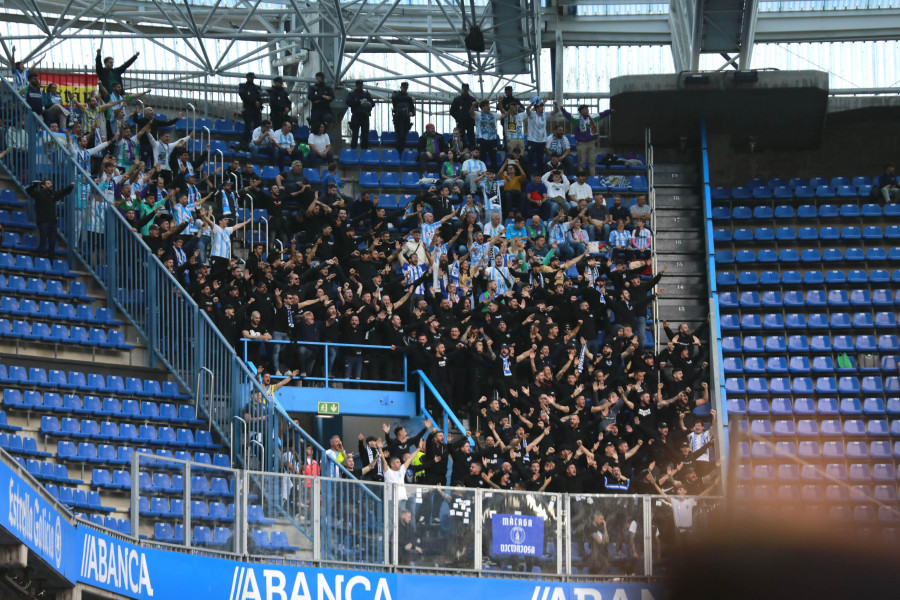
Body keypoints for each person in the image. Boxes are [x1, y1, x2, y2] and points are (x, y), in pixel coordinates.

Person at [560, 105, 612, 176]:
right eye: (584, 109)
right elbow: (567, 115)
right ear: (580, 111)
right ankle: (580, 177)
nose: (586, 111)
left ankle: (593, 177)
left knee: (592, 161)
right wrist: (562, 109)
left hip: (591, 143)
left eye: (587, 109)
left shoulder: (592, 117)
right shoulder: (576, 119)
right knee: (581, 162)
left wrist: (610, 111)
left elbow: (602, 114)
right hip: (581, 143)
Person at [29, 180, 75, 259]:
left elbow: (63, 192)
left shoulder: (53, 195)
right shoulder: (38, 194)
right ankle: (40, 259)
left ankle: (51, 261)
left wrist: (70, 187)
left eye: (51, 183)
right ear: (43, 186)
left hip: (52, 222)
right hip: (43, 221)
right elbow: (28, 191)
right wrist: (35, 185)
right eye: (48, 183)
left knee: (52, 242)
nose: (51, 184)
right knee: (43, 240)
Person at [346, 80, 374, 150]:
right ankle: (353, 149)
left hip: (365, 116)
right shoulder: (352, 94)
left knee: (365, 134)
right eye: (359, 85)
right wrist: (359, 101)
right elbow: (349, 102)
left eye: (361, 86)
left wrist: (366, 101)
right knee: (355, 134)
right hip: (356, 115)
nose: (360, 87)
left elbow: (372, 103)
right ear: (356, 85)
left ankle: (364, 149)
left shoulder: (366, 94)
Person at [239, 72, 264, 150]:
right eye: (250, 77)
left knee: (258, 127)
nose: (252, 79)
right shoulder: (243, 86)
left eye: (252, 78)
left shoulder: (257, 87)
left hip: (256, 109)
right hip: (248, 108)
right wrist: (254, 102)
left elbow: (261, 97)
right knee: (248, 126)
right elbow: (244, 96)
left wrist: (259, 103)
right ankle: (244, 143)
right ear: (247, 77)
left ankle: (256, 142)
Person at [391, 81, 415, 155]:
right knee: (400, 136)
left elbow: (413, 110)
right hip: (398, 118)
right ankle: (399, 153)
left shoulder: (408, 99)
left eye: (406, 88)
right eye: (404, 88)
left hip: (406, 119)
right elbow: (396, 98)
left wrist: (411, 113)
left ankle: (401, 153)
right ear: (400, 87)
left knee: (403, 137)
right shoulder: (396, 94)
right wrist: (409, 98)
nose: (405, 89)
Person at [449, 83, 476, 147]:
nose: (465, 91)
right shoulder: (457, 99)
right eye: (464, 90)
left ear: (468, 90)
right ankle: (461, 150)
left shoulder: (472, 100)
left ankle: (473, 150)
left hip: (470, 122)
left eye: (466, 90)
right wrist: (457, 118)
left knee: (471, 138)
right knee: (460, 138)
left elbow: (476, 111)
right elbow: (452, 111)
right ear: (462, 89)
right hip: (461, 122)